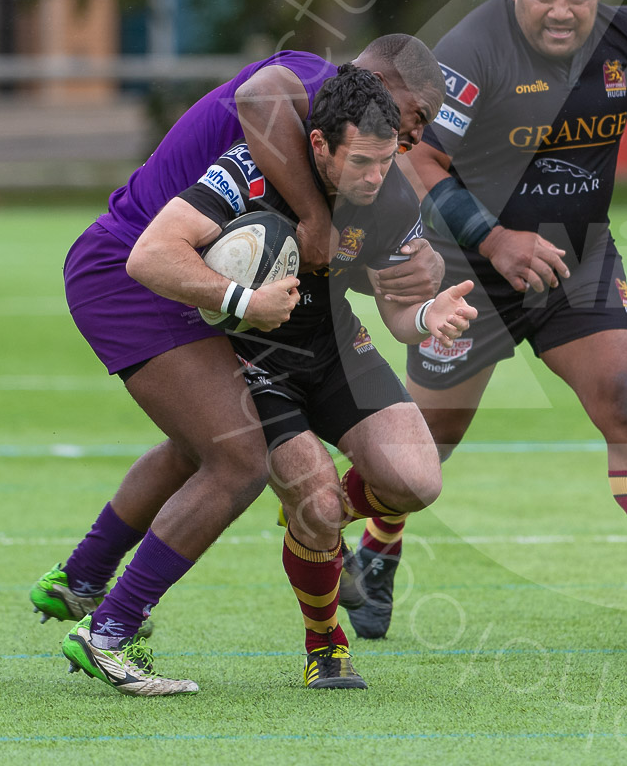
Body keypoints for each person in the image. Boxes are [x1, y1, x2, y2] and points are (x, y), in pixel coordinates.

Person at [346, 0, 627, 652]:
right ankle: (374, 550)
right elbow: (422, 164)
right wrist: (494, 240)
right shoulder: (472, 51)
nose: (560, 10)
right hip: (465, 266)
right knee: (428, 444)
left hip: (577, 255)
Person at [31, 38, 446, 668]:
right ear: (381, 87)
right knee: (236, 456)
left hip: (204, 278)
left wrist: (417, 283)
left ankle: (83, 576)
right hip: (136, 269)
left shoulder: (367, 163)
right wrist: (314, 222)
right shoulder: (307, 85)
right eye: (412, 121)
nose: (408, 143)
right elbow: (259, 98)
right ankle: (113, 629)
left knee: (206, 442)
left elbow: (360, 259)